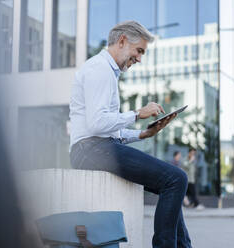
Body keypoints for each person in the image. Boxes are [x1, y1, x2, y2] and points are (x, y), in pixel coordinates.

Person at [69, 20, 191, 248]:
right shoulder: (100, 70)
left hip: (98, 147)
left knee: (174, 182)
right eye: (139, 51)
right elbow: (96, 125)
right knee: (176, 179)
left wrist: (143, 134)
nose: (139, 59)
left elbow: (108, 127)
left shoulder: (106, 71)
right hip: (91, 149)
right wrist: (138, 113)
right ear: (123, 41)